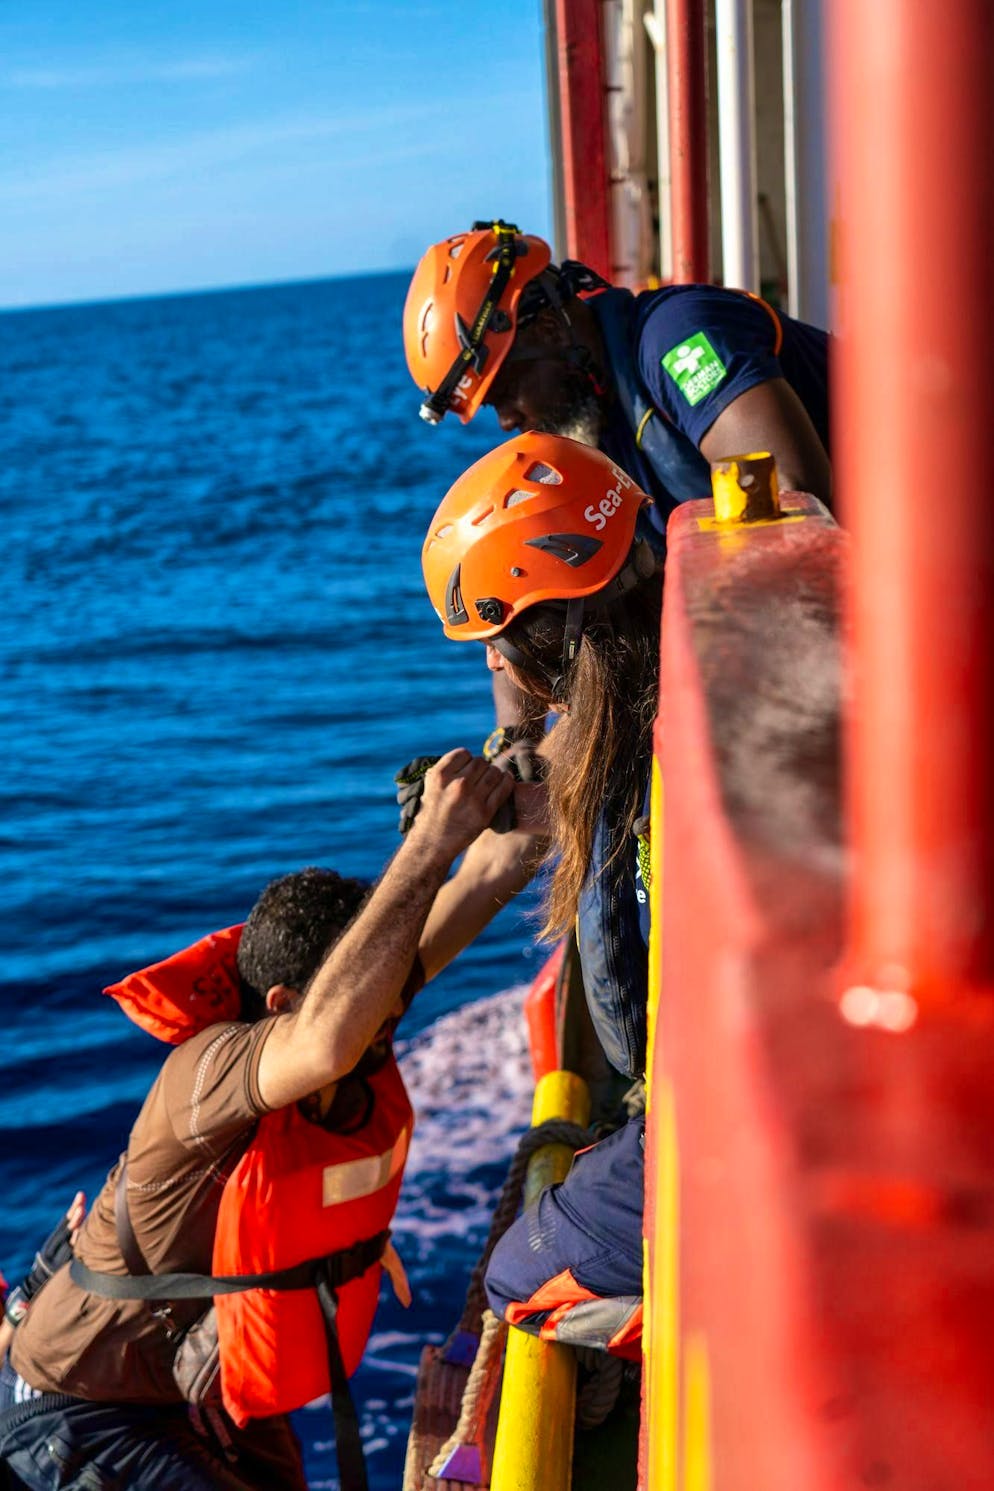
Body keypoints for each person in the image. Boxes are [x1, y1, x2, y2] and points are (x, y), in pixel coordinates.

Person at [0, 750, 539, 1491]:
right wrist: (426, 846)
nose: (391, 1009)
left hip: (194, 1383)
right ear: (283, 1004)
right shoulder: (212, 1071)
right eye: (368, 993)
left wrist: (527, 740)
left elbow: (491, 872)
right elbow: (327, 1037)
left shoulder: (358, 1018)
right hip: (86, 1404)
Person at [421, 432, 666, 1358]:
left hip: (736, 1124)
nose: (492, 670)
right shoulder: (666, 670)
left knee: (517, 1278)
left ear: (535, 648)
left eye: (493, 646)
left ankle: (722, 1323)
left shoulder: (646, 752)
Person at [403, 218, 832, 528]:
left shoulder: (677, 337)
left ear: (550, 331)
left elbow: (792, 499)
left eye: (505, 392)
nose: (507, 421)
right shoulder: (602, 420)